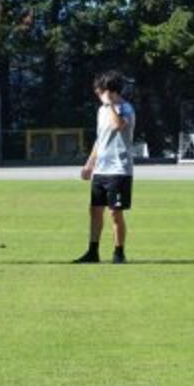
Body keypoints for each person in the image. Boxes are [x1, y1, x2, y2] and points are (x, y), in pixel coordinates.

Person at [75, 71, 136, 264]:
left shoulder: (126, 109)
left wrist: (110, 104)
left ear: (109, 91)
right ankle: (92, 252)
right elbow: (100, 140)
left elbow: (118, 126)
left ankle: (119, 253)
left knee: (115, 213)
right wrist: (89, 164)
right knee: (94, 210)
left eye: (99, 90)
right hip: (101, 170)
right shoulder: (101, 110)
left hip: (119, 170)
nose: (97, 93)